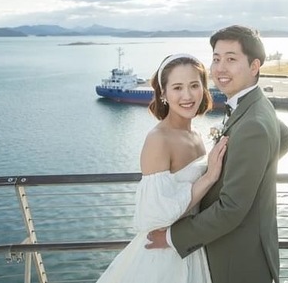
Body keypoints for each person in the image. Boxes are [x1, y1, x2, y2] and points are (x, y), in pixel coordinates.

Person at [146, 25, 288, 283]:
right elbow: (286, 138)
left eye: (231, 59)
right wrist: (249, 171)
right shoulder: (257, 104)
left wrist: (170, 237)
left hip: (235, 258)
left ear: (254, 66)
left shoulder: (252, 125)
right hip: (248, 249)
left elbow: (232, 208)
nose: (220, 68)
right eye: (216, 59)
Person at [95, 53, 228, 283]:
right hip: (164, 256)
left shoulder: (195, 133)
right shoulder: (158, 139)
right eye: (177, 87)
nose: (187, 96)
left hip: (189, 245)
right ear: (163, 93)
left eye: (194, 85)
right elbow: (158, 214)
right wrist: (209, 177)